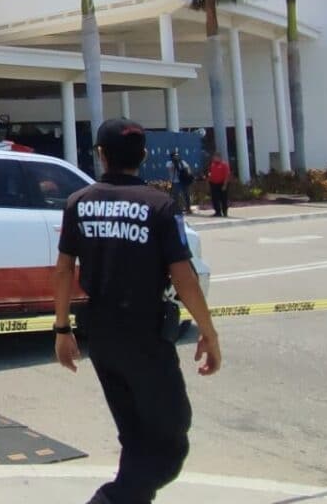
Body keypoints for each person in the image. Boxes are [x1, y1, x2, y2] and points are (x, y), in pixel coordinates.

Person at [53, 119, 222, 504]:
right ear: (144, 155)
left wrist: (62, 330)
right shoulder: (159, 205)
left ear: (100, 154)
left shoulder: (78, 203)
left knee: (135, 438)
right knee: (169, 444)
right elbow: (184, 276)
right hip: (145, 336)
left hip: (101, 336)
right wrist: (208, 331)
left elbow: (64, 269)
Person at [205, 152, 231, 218]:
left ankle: (225, 212)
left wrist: (225, 185)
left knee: (223, 198)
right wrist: (208, 181)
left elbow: (227, 175)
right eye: (213, 157)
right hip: (214, 184)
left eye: (215, 157)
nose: (214, 158)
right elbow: (209, 174)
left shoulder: (224, 165)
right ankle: (217, 212)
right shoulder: (212, 165)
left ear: (219, 157)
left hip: (222, 183)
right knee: (215, 198)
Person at [167, 151, 192, 216]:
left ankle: (188, 208)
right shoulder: (169, 163)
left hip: (183, 181)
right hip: (175, 182)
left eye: (177, 156)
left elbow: (188, 169)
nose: (176, 157)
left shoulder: (182, 162)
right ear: (171, 157)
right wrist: (175, 163)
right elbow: (170, 168)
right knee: (176, 196)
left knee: (186, 195)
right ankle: (177, 209)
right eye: (175, 156)